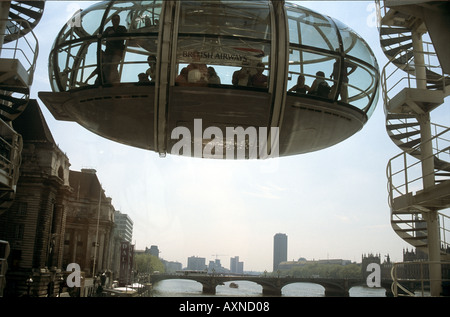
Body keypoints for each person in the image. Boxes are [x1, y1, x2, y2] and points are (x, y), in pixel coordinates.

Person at [103, 13, 127, 83]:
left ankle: (116, 82)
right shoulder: (108, 29)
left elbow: (124, 36)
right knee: (106, 68)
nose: (116, 21)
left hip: (118, 51)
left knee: (114, 67)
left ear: (119, 20)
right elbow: (104, 36)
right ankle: (108, 82)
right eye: (114, 20)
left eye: (117, 19)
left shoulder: (122, 28)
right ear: (112, 21)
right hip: (109, 52)